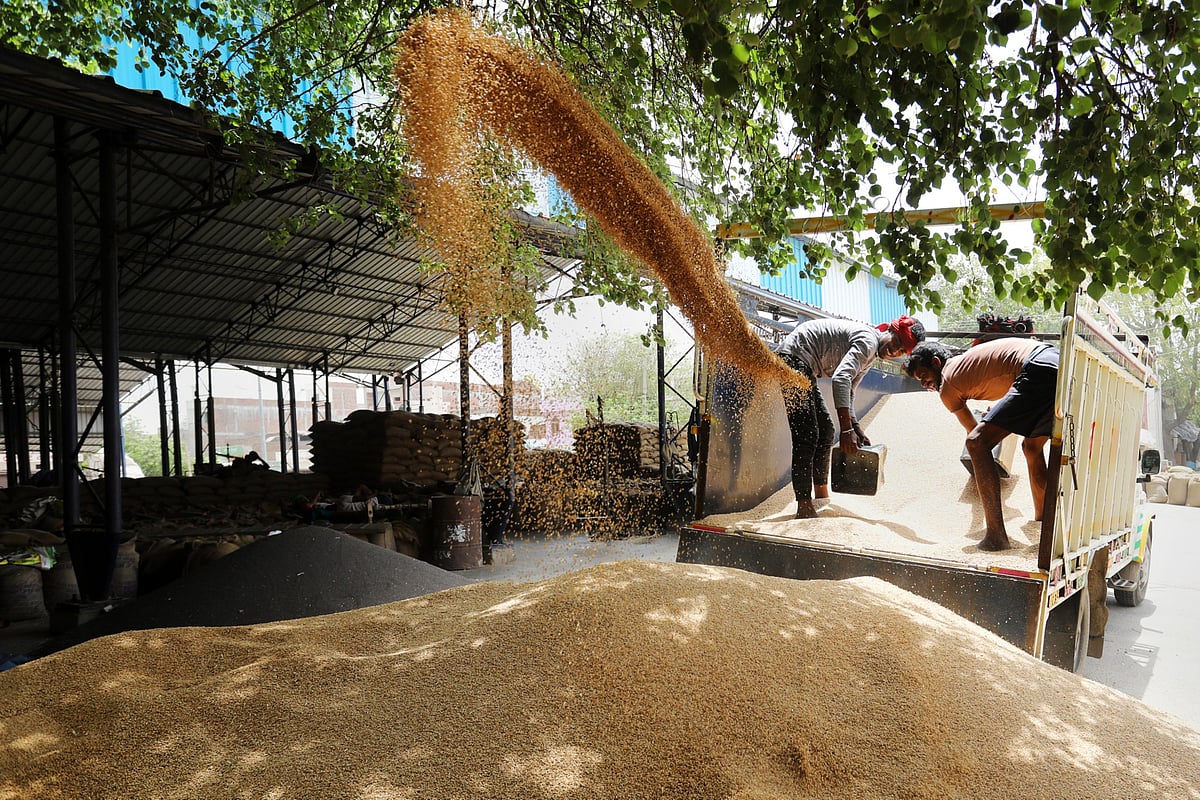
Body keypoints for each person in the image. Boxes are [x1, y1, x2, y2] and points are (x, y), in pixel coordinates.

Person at [904, 338, 1059, 551]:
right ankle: (1043, 520)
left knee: (976, 443)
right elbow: (1008, 380)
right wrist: (995, 420)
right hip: (1055, 362)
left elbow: (975, 436)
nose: (924, 384)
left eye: (923, 375)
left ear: (936, 363)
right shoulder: (966, 363)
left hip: (1035, 368)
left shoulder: (947, 385)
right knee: (1031, 447)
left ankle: (996, 536)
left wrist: (990, 433)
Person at [779, 315, 925, 519]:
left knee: (827, 430)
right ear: (889, 331)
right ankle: (804, 506)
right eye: (896, 342)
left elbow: (849, 392)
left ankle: (821, 497)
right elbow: (841, 379)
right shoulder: (868, 341)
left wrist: (855, 427)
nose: (895, 351)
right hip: (793, 358)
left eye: (901, 351)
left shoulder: (871, 355)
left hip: (804, 366)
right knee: (807, 434)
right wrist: (846, 430)